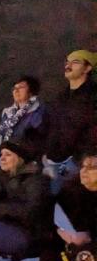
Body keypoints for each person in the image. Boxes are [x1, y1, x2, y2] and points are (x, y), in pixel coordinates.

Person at [38, 147, 97, 261]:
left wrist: (87, 243)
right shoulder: (71, 191)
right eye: (83, 166)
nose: (84, 171)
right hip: (71, 250)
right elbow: (49, 220)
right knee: (49, 258)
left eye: (92, 167)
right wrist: (62, 233)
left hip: (92, 255)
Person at [42, 50, 97, 191]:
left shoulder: (92, 97)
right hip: (52, 160)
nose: (68, 65)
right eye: (67, 61)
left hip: (78, 164)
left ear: (88, 68)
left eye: (76, 62)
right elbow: (50, 126)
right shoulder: (60, 97)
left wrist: (78, 160)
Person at [0, 75, 47, 162]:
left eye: (21, 87)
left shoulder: (38, 113)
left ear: (31, 92)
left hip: (22, 159)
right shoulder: (7, 113)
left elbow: (33, 142)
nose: (16, 90)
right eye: (14, 88)